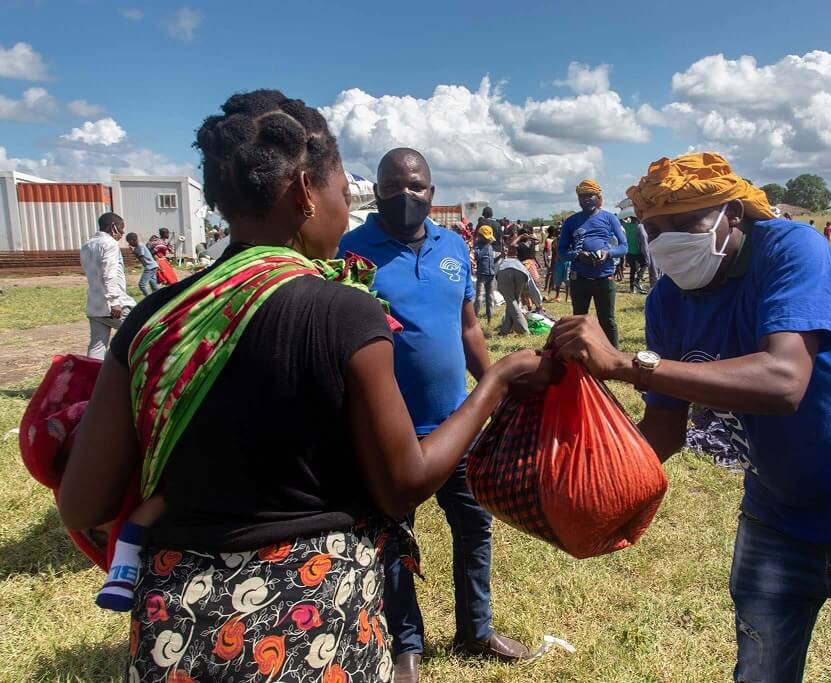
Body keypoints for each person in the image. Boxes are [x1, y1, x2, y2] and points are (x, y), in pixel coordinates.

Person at [57, 90, 547, 683]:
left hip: (178, 632)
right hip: (315, 625)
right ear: (306, 192)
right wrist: (496, 380)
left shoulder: (156, 318)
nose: (349, 209)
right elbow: (401, 489)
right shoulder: (346, 313)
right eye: (345, 192)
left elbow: (83, 505)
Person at [549, 151, 831, 682]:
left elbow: (784, 380)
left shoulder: (793, 249)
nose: (666, 243)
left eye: (684, 225)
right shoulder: (667, 303)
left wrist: (626, 365)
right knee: (760, 674)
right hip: (775, 522)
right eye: (654, 231)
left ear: (734, 216)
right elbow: (664, 429)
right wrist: (577, 484)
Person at [338, 148, 532, 683]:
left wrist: (493, 387)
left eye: (417, 186)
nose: (406, 196)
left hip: (458, 424)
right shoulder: (351, 252)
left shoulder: (455, 247)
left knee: (475, 527)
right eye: (394, 185)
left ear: (432, 191)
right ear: (376, 191)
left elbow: (468, 325)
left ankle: (476, 629)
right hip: (390, 430)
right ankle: (407, 646)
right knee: (396, 538)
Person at [557, 179, 628, 347]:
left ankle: (614, 357)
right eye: (582, 196)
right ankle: (580, 356)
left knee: (607, 320)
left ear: (598, 197)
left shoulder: (610, 218)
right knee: (579, 320)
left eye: (590, 195)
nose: (585, 199)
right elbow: (562, 251)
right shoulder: (571, 221)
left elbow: (624, 247)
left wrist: (607, 253)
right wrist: (578, 256)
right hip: (579, 279)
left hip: (604, 279)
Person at [79, 213, 137, 359]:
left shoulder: (87, 245)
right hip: (114, 306)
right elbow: (108, 274)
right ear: (112, 227)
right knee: (142, 332)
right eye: (121, 229)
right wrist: (114, 301)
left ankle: (92, 376)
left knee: (97, 346)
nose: (122, 233)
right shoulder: (110, 244)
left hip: (95, 305)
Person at [496, 245, 544, 335]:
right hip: (521, 274)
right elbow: (532, 287)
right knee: (514, 301)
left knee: (511, 301)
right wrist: (539, 304)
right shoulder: (521, 265)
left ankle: (524, 331)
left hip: (504, 273)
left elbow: (496, 272)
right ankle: (505, 330)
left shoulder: (505, 261)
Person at [474, 225, 498, 325]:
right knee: (479, 298)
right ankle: (474, 319)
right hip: (481, 275)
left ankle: (489, 319)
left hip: (491, 275)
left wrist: (500, 256)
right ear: (480, 236)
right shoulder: (478, 246)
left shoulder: (490, 247)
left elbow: (492, 261)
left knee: (490, 298)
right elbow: (478, 257)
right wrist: (487, 246)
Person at [125, 232, 160, 296]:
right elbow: (140, 257)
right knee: (154, 286)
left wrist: (135, 253)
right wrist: (134, 251)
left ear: (132, 240)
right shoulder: (138, 247)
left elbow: (142, 259)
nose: (129, 244)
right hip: (153, 266)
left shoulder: (140, 246)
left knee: (142, 285)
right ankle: (161, 296)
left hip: (149, 267)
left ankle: (149, 299)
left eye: (129, 242)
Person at [623, 215, 648, 294]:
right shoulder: (639, 227)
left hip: (629, 251)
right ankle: (637, 280)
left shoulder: (626, 226)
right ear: (637, 219)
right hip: (638, 251)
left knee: (632, 270)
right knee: (645, 264)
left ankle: (631, 288)